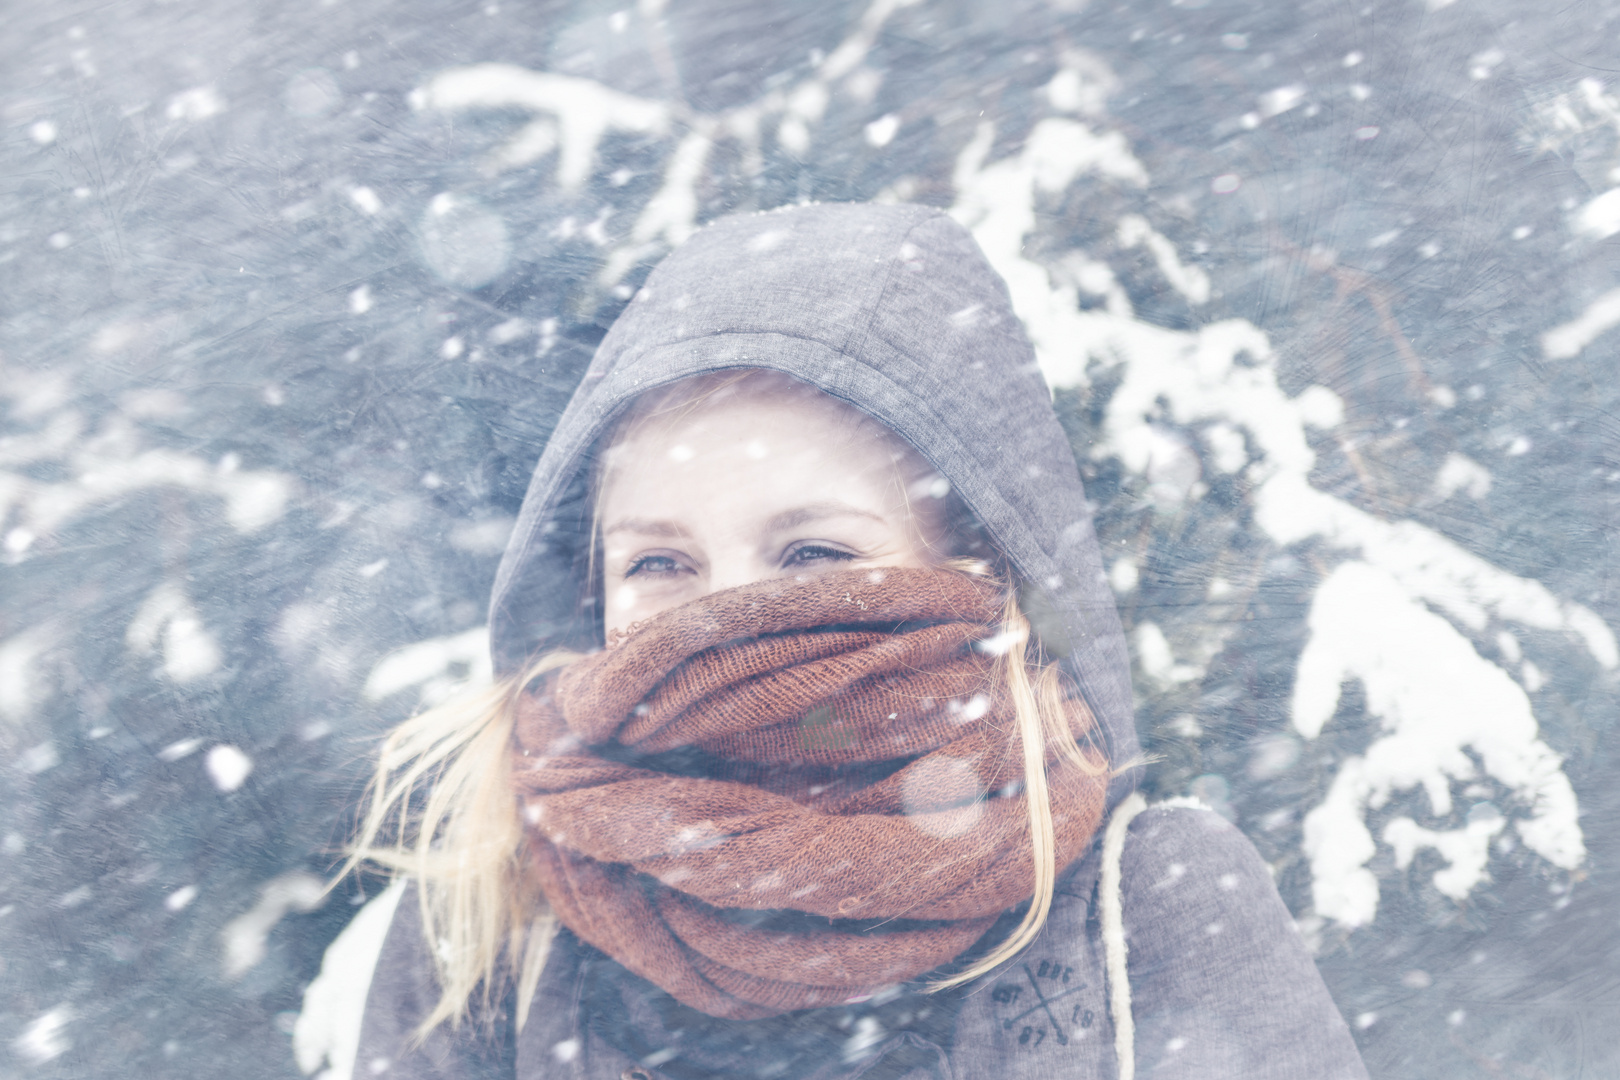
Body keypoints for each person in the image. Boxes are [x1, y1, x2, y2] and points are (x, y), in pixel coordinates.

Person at [343, 202, 1369, 1079]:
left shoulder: (1148, 913)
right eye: (659, 563)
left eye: (811, 555)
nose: (720, 622)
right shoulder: (488, 935)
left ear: (979, 565)